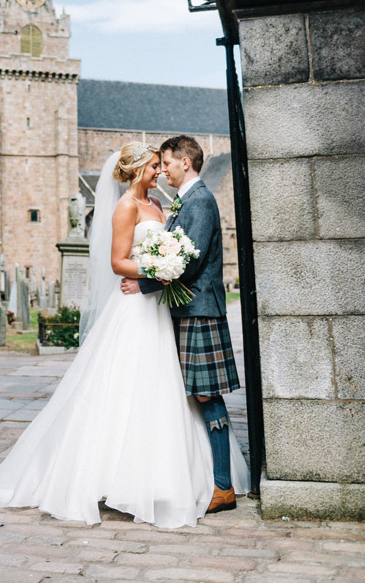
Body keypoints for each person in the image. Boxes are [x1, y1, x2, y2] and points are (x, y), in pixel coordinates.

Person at [0, 142, 248, 528]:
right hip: (143, 311)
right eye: (155, 166)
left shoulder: (169, 204)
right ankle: (125, 477)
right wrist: (147, 275)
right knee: (129, 389)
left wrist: (150, 279)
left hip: (167, 307)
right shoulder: (129, 206)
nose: (160, 171)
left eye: (164, 164)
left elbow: (184, 258)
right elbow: (119, 260)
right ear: (138, 169)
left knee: (178, 392)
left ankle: (203, 481)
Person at [121, 135, 242, 514]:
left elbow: (188, 265)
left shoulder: (201, 200)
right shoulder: (183, 201)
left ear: (184, 163)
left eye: (168, 163)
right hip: (185, 311)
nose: (164, 170)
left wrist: (142, 283)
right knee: (194, 395)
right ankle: (208, 477)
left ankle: (223, 488)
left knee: (207, 395)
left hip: (199, 310)